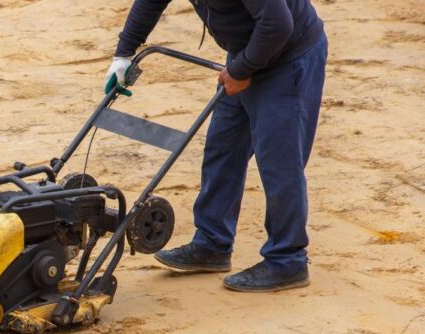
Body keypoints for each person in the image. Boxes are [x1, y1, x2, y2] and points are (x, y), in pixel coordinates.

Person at [105, 0, 328, 292]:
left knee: (280, 164)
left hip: (288, 58)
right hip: (247, 53)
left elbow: (278, 24)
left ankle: (287, 261)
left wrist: (241, 70)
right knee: (222, 150)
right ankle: (212, 244)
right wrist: (124, 54)